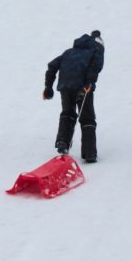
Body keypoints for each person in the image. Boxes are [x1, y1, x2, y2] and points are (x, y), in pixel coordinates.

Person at [43, 30, 105, 163]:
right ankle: (89, 153)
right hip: (83, 88)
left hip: (65, 87)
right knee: (87, 118)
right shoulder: (95, 51)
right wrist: (89, 82)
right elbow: (95, 68)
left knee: (68, 114)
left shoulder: (68, 52)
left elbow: (52, 66)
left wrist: (48, 87)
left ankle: (62, 143)